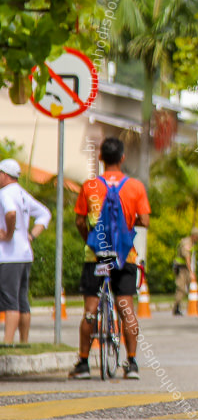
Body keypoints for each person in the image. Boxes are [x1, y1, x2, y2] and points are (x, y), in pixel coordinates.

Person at [69, 137, 150, 380]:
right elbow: (145, 221)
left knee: (90, 311)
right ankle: (132, 363)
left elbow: (80, 221)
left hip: (97, 256)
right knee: (126, 309)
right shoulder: (135, 186)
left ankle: (83, 363)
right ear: (122, 158)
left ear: (101, 158)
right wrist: (126, 226)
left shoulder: (90, 186)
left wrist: (90, 240)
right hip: (125, 256)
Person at [0, 159, 51, 344]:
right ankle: (24, 341)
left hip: (8, 255)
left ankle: (7, 342)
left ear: (4, 175)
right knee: (22, 300)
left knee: (9, 300)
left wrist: (8, 233)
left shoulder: (5, 193)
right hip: (25, 254)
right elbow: (45, 214)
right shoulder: (23, 194)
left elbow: (11, 213)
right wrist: (31, 236)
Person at [173, 227, 198, 316]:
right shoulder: (187, 243)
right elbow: (187, 258)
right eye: (197, 237)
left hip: (185, 268)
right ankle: (176, 308)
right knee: (181, 288)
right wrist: (191, 272)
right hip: (181, 268)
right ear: (193, 236)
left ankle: (196, 306)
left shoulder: (191, 243)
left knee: (192, 287)